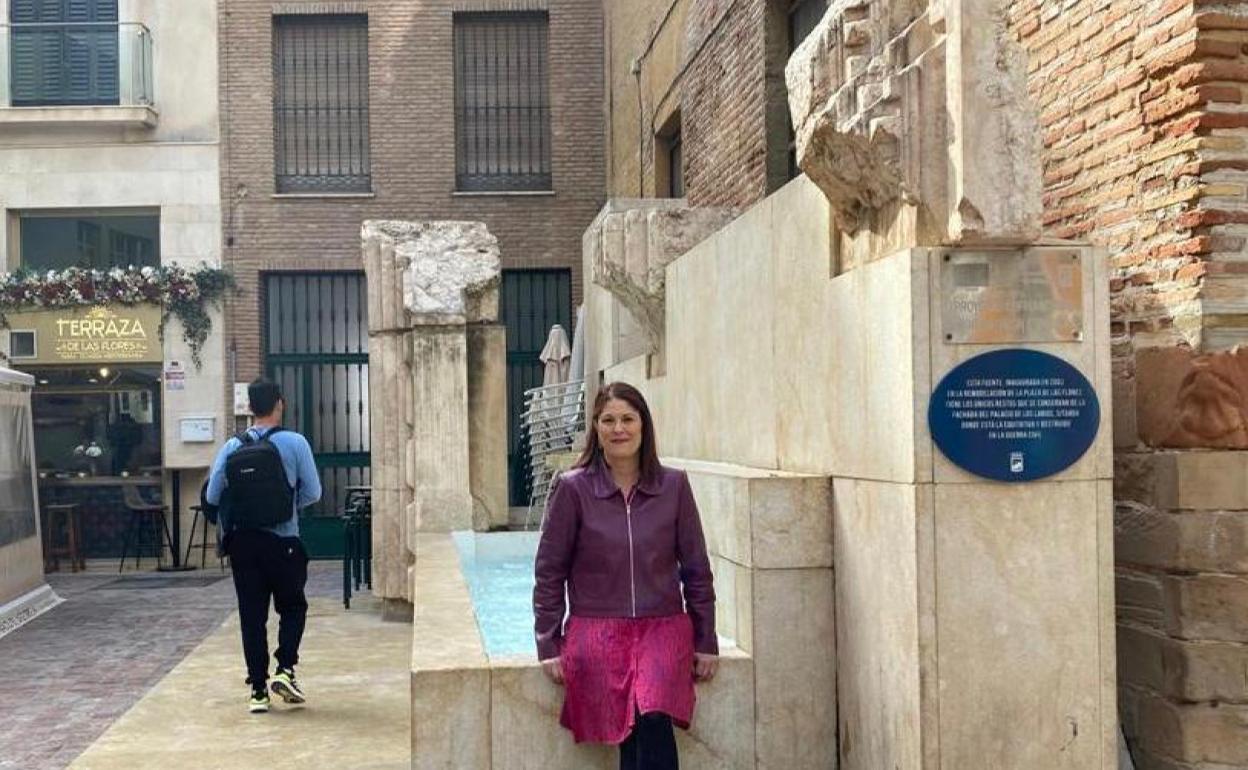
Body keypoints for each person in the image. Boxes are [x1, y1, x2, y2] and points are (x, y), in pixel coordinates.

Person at [533, 382, 718, 770]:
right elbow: (550, 571)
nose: (619, 429)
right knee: (631, 718)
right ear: (597, 430)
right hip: (596, 626)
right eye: (609, 420)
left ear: (643, 426)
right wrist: (548, 643)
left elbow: (697, 569)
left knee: (652, 712)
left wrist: (705, 639)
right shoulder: (572, 489)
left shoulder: (674, 486)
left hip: (662, 625)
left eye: (628, 419)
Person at [206, 378, 322, 714]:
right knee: (293, 607)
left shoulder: (231, 447)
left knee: (251, 616)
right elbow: (314, 492)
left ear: (249, 407)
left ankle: (258, 690)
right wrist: (286, 506)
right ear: (280, 403)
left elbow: (213, 495)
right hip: (284, 541)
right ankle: (285, 669)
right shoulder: (296, 443)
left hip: (244, 544)